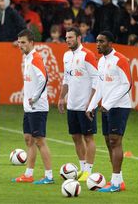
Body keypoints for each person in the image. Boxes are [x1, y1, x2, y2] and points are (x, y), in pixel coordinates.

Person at [86, 31, 132, 192]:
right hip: (106, 107)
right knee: (108, 141)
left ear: (110, 43)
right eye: (97, 41)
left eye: (102, 41)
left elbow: (127, 84)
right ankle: (118, 180)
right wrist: (91, 106)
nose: (98, 44)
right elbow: (99, 86)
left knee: (114, 141)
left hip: (119, 107)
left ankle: (116, 183)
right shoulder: (101, 62)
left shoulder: (120, 60)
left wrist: (109, 103)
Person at [12, 29, 54, 184]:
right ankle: (28, 174)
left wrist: (35, 98)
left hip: (38, 107)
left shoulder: (35, 57)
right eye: (19, 42)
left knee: (40, 141)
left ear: (31, 43)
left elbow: (44, 78)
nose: (20, 45)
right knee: (28, 139)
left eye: (23, 42)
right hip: (29, 108)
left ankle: (49, 176)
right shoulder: (28, 58)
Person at [58, 27, 98, 182]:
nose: (68, 40)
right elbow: (66, 79)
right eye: (66, 37)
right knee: (75, 137)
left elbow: (96, 79)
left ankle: (88, 170)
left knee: (88, 137)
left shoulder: (87, 55)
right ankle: (82, 169)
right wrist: (62, 98)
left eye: (71, 37)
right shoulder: (66, 56)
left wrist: (91, 102)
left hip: (85, 106)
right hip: (72, 104)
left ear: (79, 38)